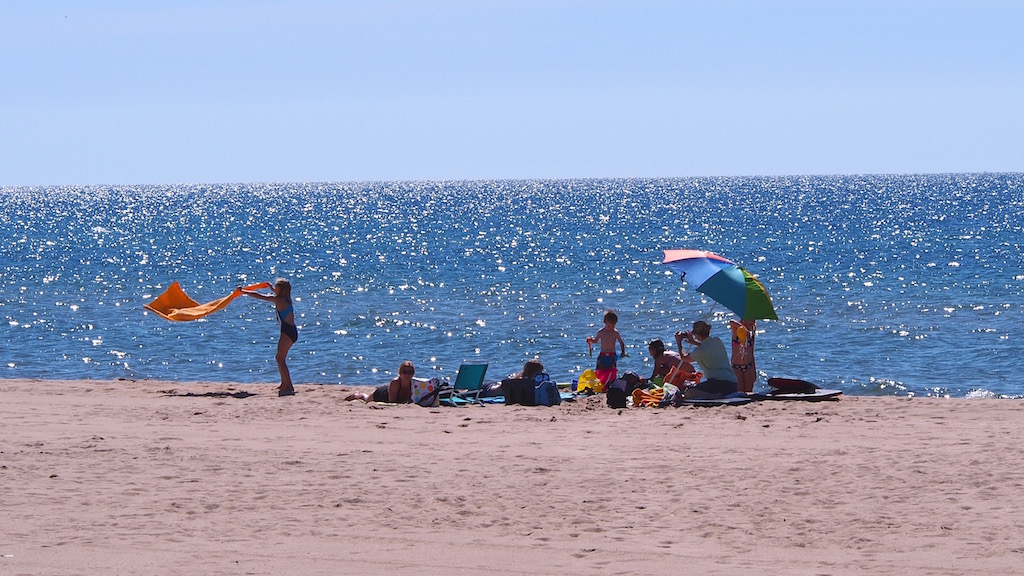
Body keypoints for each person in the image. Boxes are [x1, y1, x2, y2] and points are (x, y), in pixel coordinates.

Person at [241, 278, 297, 396]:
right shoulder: (287, 298)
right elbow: (276, 293)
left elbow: (260, 296)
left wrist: (244, 291)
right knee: (279, 358)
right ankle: (284, 383)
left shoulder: (279, 300)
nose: (274, 289)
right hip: (291, 331)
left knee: (280, 359)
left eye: (276, 287)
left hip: (287, 332)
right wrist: (271, 288)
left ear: (280, 290)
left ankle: (289, 385)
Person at [674, 320, 738, 399]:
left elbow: (684, 358)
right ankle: (716, 395)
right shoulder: (717, 341)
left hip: (719, 384)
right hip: (733, 384)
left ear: (697, 335)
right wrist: (694, 342)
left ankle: (714, 396)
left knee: (689, 392)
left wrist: (679, 343)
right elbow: (707, 348)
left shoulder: (700, 351)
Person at [345, 361, 416, 403]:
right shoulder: (395, 383)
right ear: (400, 373)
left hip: (389, 391)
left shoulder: (415, 383)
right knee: (366, 399)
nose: (407, 374)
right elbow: (392, 402)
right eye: (404, 372)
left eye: (410, 372)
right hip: (382, 394)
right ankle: (357, 395)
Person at [589, 310, 626, 383]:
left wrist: (623, 352)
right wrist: (590, 340)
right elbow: (596, 341)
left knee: (612, 371)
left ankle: (611, 384)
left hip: (612, 355)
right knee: (600, 370)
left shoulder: (615, 332)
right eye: (609, 326)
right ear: (605, 322)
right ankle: (600, 384)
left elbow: (621, 343)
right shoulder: (601, 332)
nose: (611, 327)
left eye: (613, 325)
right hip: (603, 354)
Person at [730, 319, 757, 393]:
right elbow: (731, 322)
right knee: (739, 392)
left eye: (750, 324)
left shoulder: (751, 334)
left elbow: (752, 352)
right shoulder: (737, 332)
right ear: (741, 322)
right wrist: (744, 329)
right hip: (736, 367)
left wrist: (754, 370)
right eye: (746, 324)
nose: (748, 326)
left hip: (749, 366)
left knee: (749, 392)